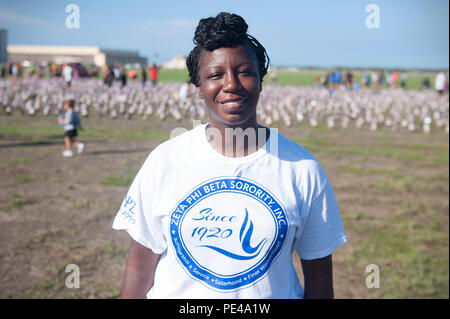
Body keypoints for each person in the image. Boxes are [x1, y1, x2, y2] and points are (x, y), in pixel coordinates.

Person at [112, 12, 347, 299]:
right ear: (199, 87)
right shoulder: (164, 161)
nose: (231, 84)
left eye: (245, 72)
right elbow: (139, 269)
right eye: (215, 75)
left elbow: (320, 277)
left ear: (261, 79)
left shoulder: (302, 169)